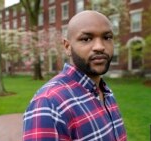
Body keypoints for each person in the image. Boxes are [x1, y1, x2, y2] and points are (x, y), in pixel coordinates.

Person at [23, 10, 127, 141]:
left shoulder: (106, 92)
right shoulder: (49, 104)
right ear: (67, 47)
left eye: (107, 37)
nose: (100, 47)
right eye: (86, 39)